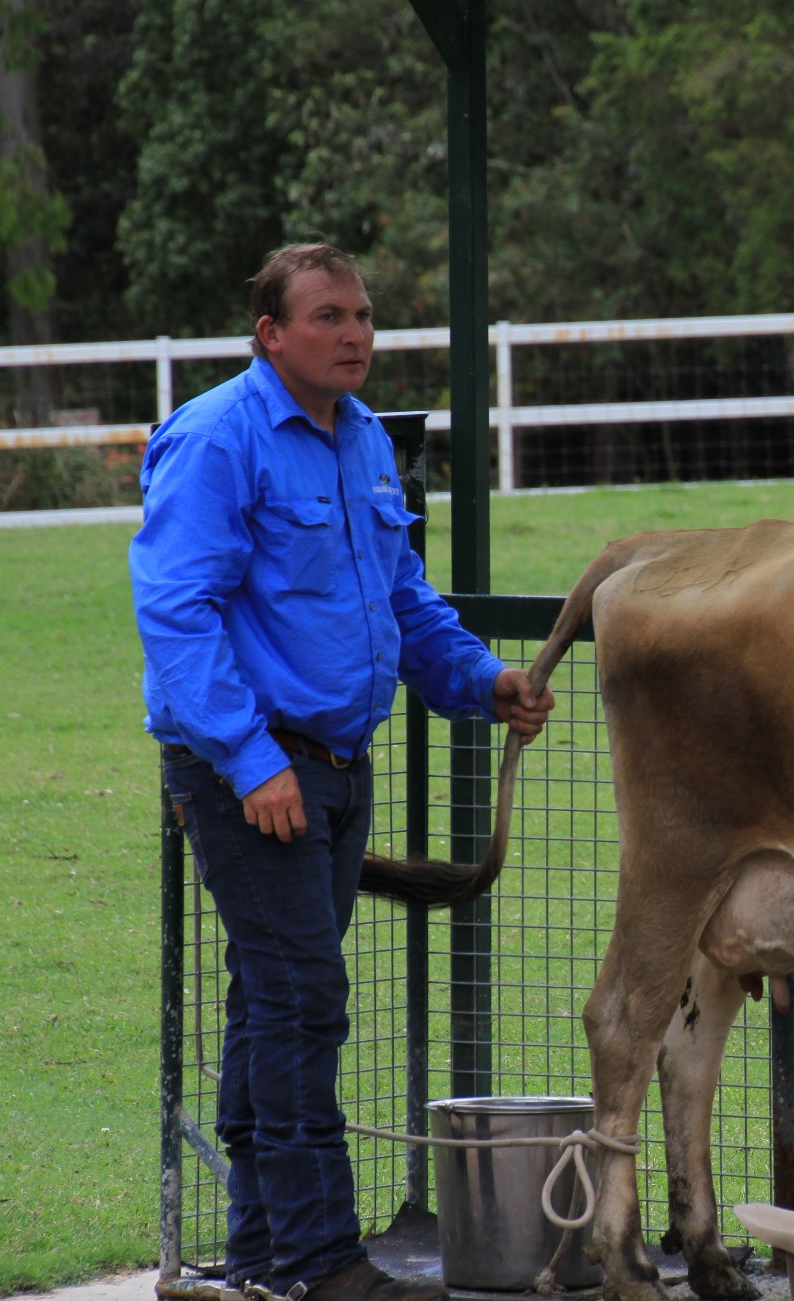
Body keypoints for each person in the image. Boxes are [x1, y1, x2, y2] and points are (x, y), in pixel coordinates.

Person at [131, 243, 553, 1301]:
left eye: (362, 315)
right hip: (257, 775)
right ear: (270, 334)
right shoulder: (217, 438)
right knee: (303, 999)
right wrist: (247, 757)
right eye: (326, 316)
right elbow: (175, 611)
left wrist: (480, 681)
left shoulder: (361, 438)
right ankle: (321, 1264)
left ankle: (269, 1255)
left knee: (272, 1001)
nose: (355, 334)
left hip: (335, 766)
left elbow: (403, 602)